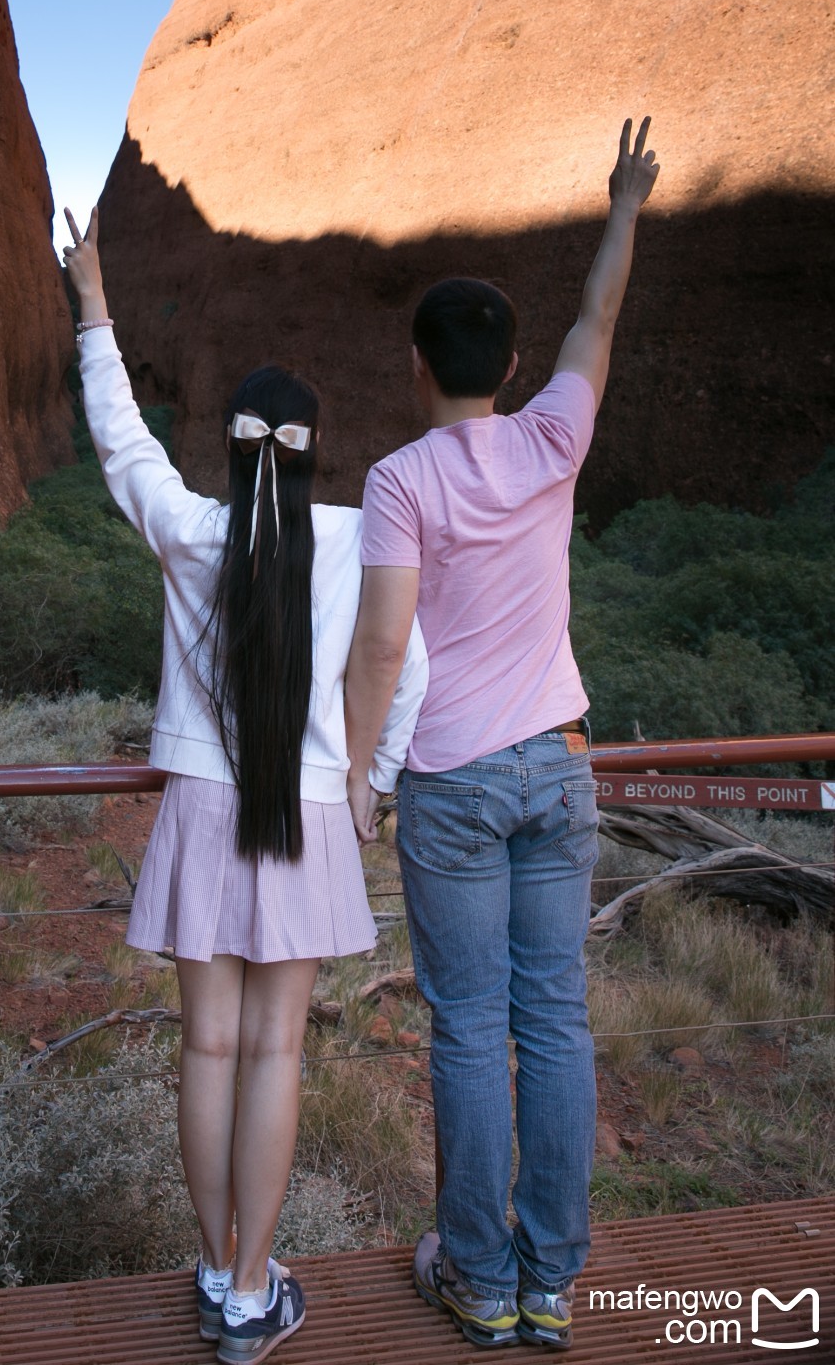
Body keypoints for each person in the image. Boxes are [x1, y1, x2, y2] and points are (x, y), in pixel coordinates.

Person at [61, 203, 428, 1364]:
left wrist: (94, 307)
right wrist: (372, 775)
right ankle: (255, 1288)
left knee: (205, 1050)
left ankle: (218, 1269)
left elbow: (122, 442)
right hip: (310, 815)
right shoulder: (360, 537)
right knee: (277, 1051)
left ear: (228, 446)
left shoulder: (193, 529)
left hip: (202, 811)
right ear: (316, 450)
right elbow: (406, 668)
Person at [344, 117, 660, 1351]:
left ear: (415, 366)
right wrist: (623, 205)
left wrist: (360, 781)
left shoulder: (398, 482)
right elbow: (600, 318)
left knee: (470, 1023)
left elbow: (380, 648)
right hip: (561, 762)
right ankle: (551, 1278)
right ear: (513, 362)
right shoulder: (552, 438)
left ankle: (475, 1276)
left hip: (455, 781)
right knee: (556, 1016)